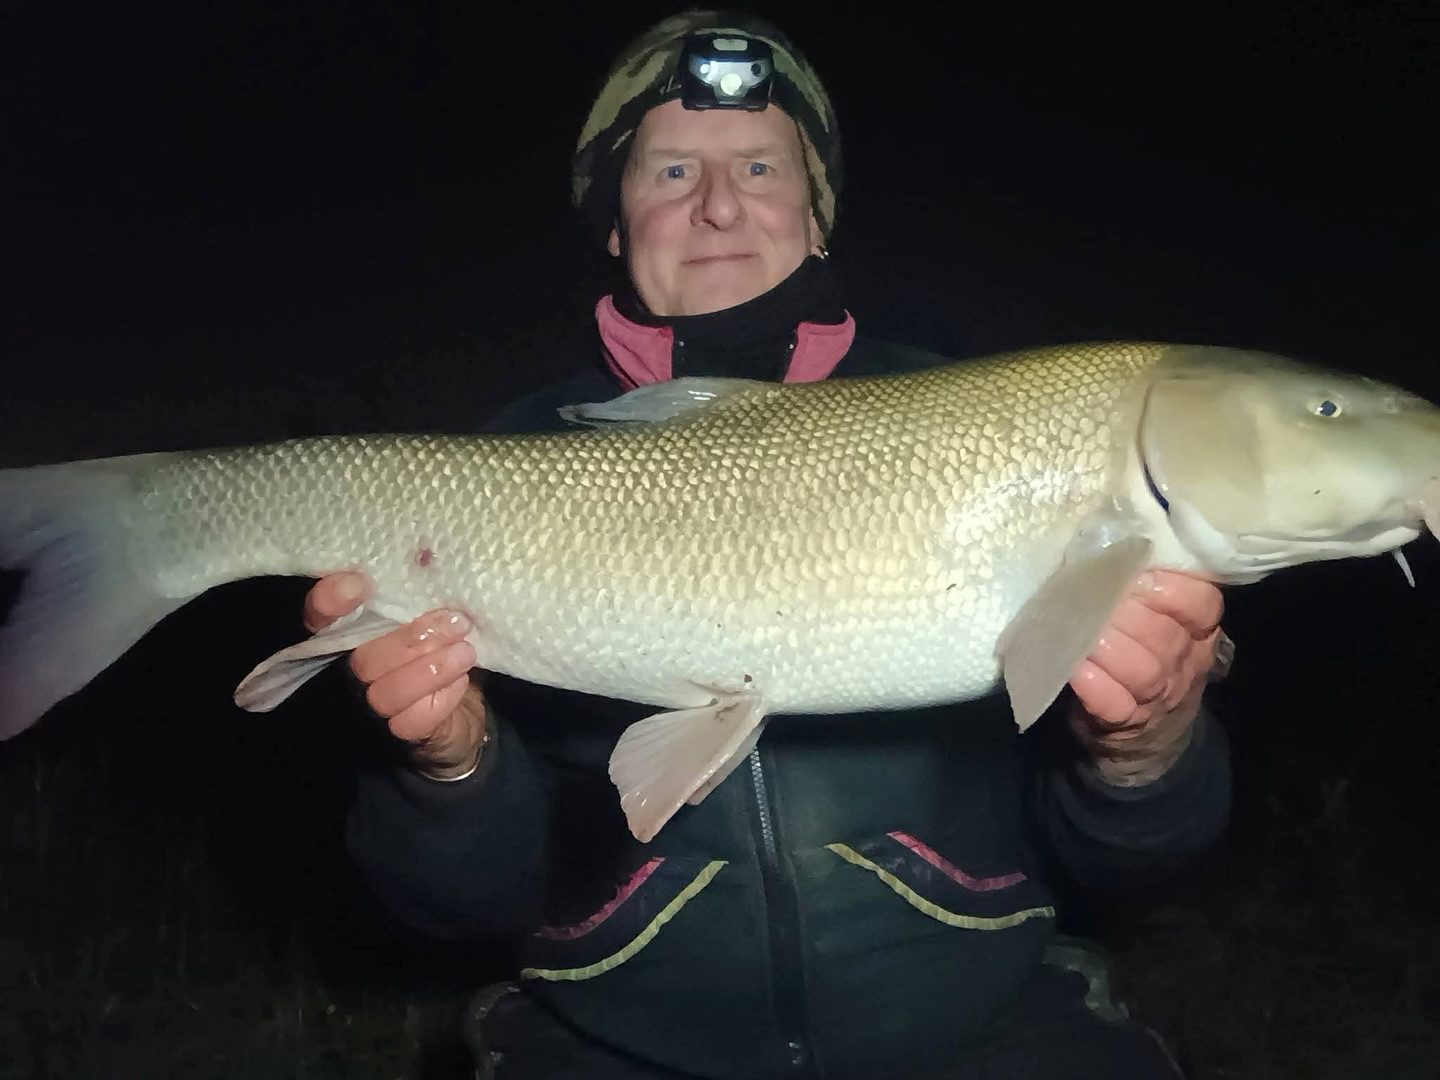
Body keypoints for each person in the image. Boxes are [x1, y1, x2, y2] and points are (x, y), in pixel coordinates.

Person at [311, 11, 1232, 1078]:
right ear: (614, 222)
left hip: (972, 1027)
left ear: (816, 213)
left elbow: (1130, 867)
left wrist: (1142, 753)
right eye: (670, 171)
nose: (717, 205)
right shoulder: (503, 462)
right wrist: (449, 766)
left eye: (759, 165)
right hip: (619, 1043)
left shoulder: (992, 425)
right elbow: (457, 904)